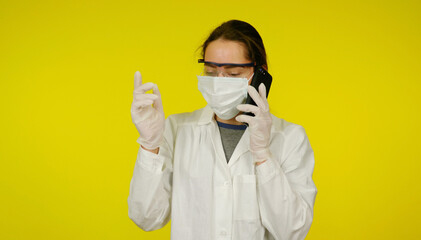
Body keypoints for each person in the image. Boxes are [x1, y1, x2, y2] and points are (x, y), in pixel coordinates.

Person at [128, 20, 317, 240]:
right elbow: (146, 218)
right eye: (210, 72)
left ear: (259, 74)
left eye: (233, 74)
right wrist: (150, 147)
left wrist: (264, 156)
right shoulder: (178, 129)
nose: (219, 82)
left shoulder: (290, 138)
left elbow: (292, 232)